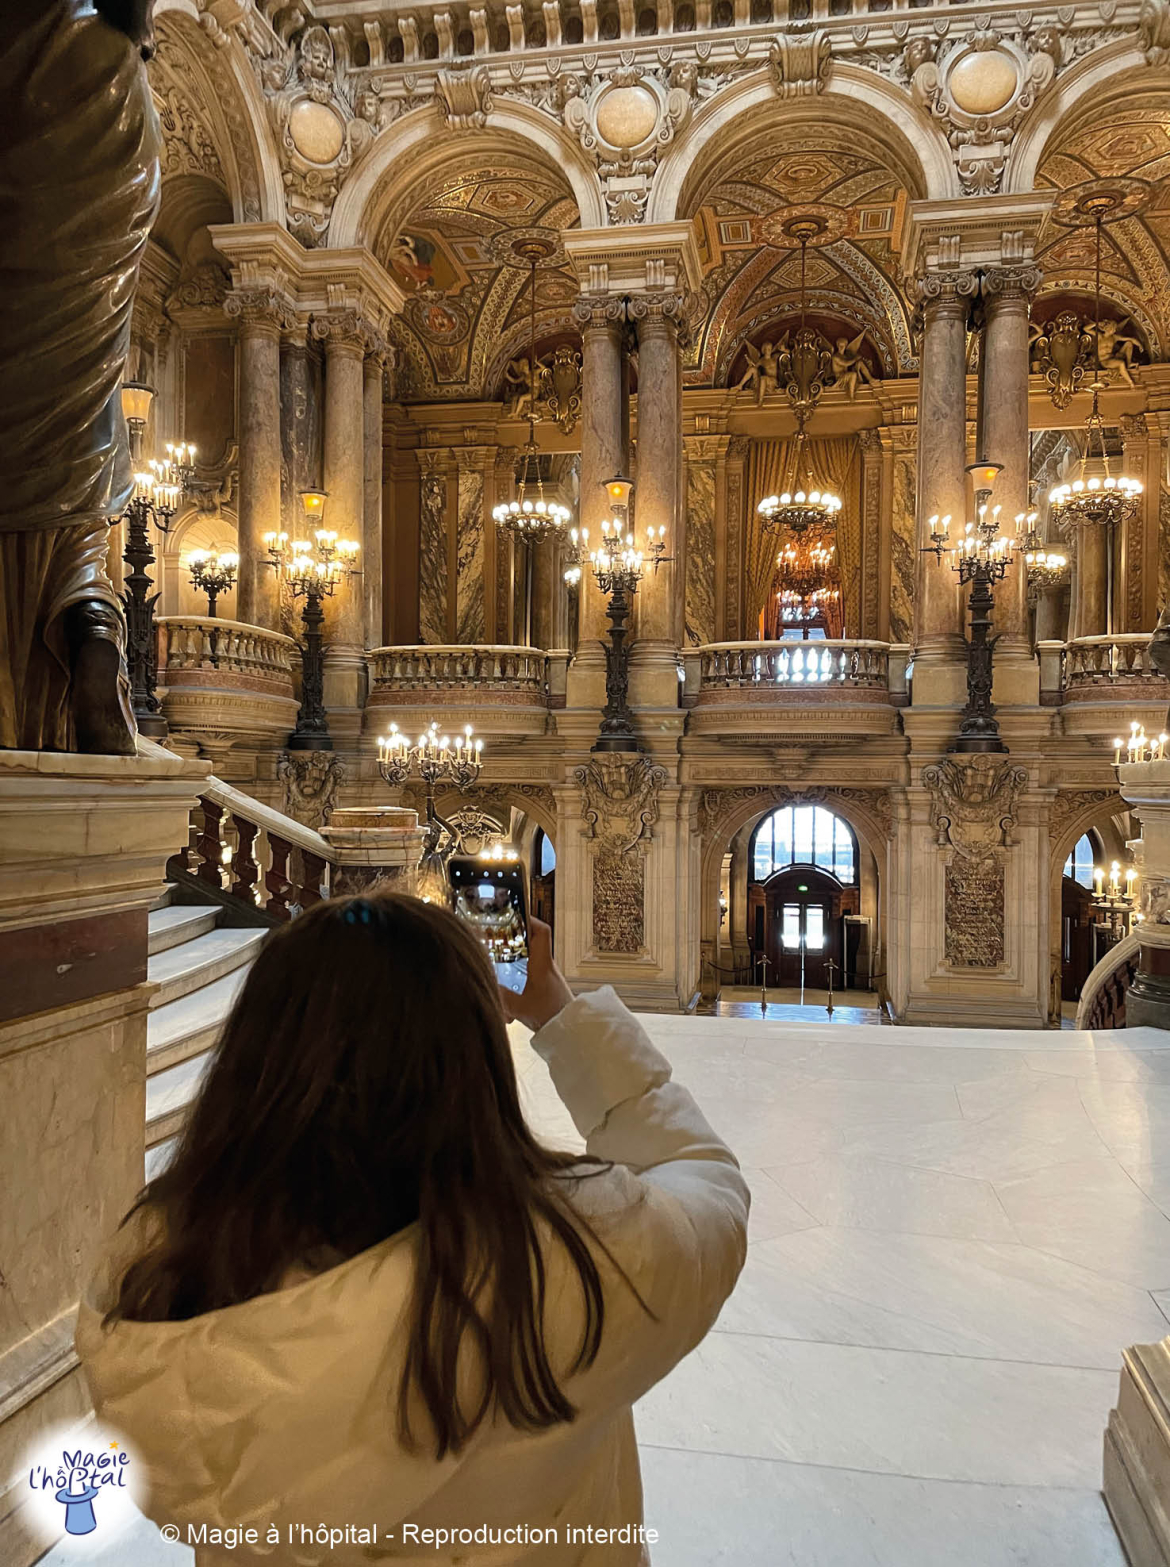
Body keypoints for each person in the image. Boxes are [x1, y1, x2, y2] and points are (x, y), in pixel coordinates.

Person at [76, 895, 749, 1565]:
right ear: (471, 1057)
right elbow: (703, 1176)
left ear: (254, 1058)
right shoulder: (574, 1257)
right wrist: (561, 1016)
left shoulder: (172, 1281)